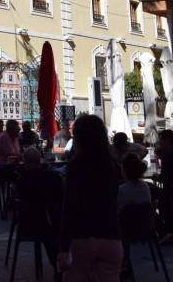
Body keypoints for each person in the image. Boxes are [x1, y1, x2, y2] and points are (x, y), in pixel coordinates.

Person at [56, 114, 122, 281]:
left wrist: (64, 246)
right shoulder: (112, 165)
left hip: (82, 237)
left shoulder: (76, 166)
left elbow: (70, 207)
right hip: (111, 237)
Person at [14, 146, 65, 276]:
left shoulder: (21, 181)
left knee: (45, 225)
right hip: (52, 225)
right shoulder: (54, 178)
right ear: (40, 161)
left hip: (28, 227)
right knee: (52, 225)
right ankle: (59, 265)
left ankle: (58, 266)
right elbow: (62, 201)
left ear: (25, 162)